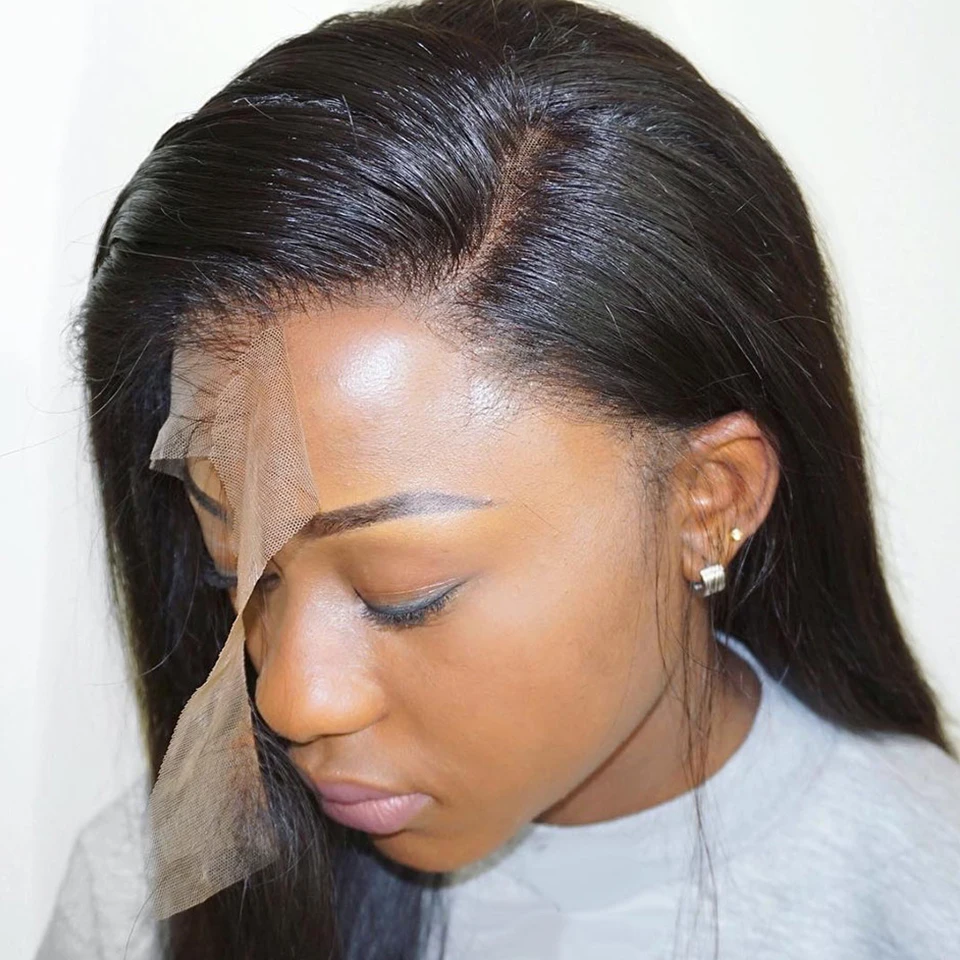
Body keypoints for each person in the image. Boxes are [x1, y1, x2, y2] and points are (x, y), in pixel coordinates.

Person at [35, 0, 960, 957]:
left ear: (708, 502)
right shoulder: (159, 890)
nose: (293, 701)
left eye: (405, 596)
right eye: (240, 572)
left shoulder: (922, 902)